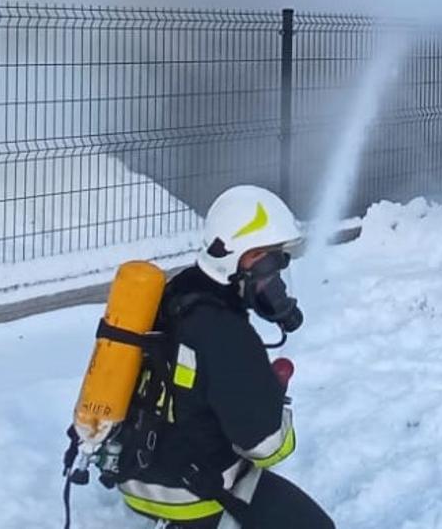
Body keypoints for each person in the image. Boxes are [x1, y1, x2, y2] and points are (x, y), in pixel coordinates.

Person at [117, 185, 334, 529]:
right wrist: (273, 400)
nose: (276, 276)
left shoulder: (178, 291)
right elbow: (265, 447)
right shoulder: (227, 333)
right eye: (272, 259)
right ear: (243, 257)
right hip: (187, 491)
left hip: (136, 473)